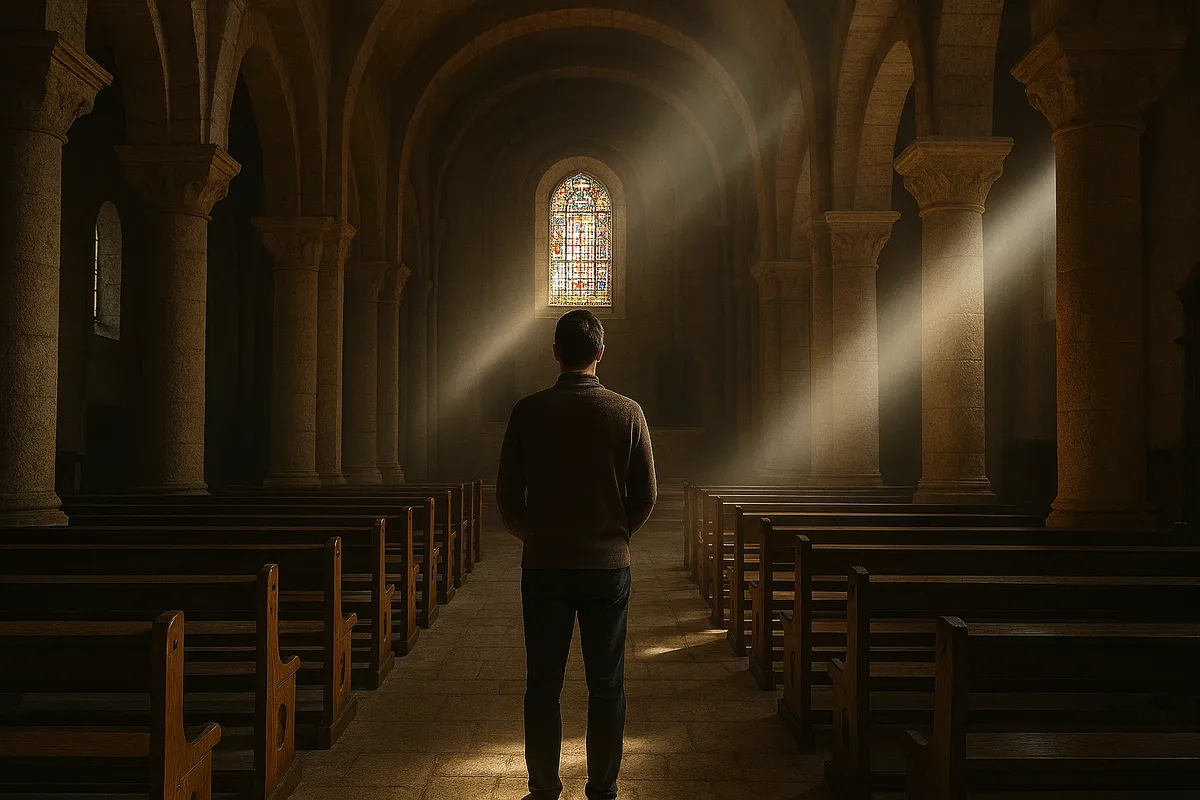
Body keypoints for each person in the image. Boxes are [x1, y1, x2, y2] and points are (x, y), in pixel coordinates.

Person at [496, 309, 657, 800]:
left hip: (544, 565)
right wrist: (614, 535)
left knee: (543, 683)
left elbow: (506, 496)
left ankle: (544, 788)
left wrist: (535, 535)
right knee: (607, 684)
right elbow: (646, 494)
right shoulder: (626, 411)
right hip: (607, 569)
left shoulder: (528, 410)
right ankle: (603, 788)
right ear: (600, 354)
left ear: (555, 353)